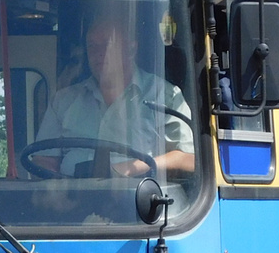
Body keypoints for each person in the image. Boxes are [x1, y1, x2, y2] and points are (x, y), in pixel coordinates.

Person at [33, 12, 195, 177]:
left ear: (131, 49)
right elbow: (44, 160)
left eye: (107, 44)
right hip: (74, 198)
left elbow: (187, 158)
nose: (99, 53)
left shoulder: (164, 95)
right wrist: (59, 195)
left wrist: (131, 168)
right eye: (92, 46)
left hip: (141, 199)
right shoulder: (64, 100)